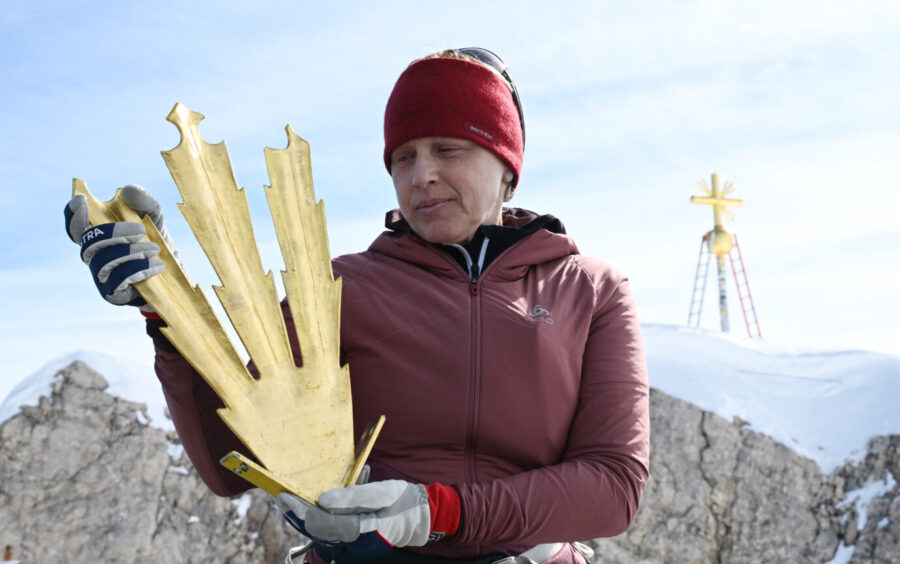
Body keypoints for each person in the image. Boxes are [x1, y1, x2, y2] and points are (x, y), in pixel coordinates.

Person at [64, 48, 650, 564]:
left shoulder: (590, 291)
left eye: (448, 149)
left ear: (507, 167)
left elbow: (614, 486)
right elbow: (228, 464)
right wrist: (169, 316)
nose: (422, 175)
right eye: (402, 158)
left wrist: (437, 511)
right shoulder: (338, 286)